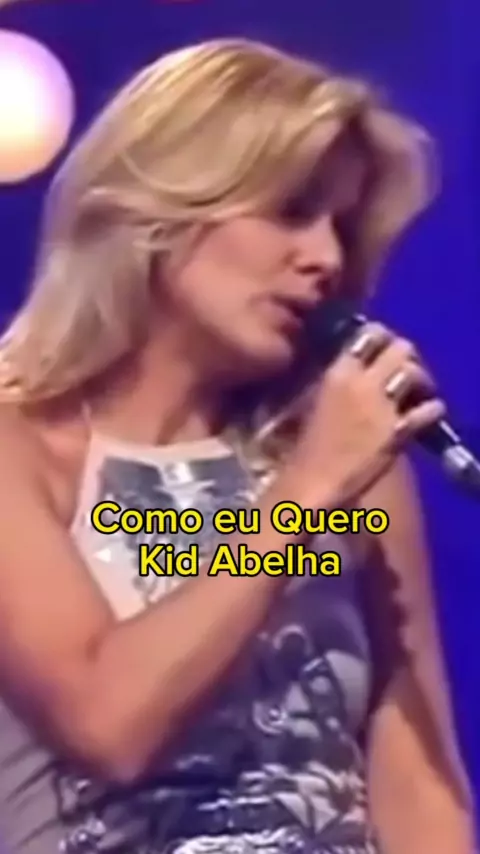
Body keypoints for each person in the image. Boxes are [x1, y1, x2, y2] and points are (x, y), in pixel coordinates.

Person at [0, 37, 475, 854]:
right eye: (292, 211)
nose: (326, 258)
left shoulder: (354, 465)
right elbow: (107, 723)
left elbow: (419, 778)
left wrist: (323, 472)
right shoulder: (19, 442)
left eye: (342, 227)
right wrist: (305, 492)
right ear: (164, 205)